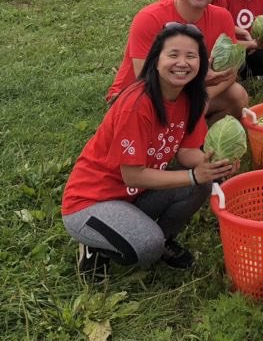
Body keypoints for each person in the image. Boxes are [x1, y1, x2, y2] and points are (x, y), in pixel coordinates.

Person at [63, 25, 234, 279]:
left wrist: (216, 165)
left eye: (191, 56)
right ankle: (95, 246)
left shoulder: (190, 98)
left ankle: (161, 236)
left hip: (135, 195)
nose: (182, 63)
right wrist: (193, 175)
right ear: (155, 61)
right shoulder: (137, 103)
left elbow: (187, 152)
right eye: (173, 55)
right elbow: (132, 175)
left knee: (203, 184)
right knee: (147, 246)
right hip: (91, 202)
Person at [107, 0, 249, 121]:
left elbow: (230, 72)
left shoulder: (222, 17)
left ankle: (196, 134)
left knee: (238, 95)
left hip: (188, 88)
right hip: (140, 94)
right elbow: (147, 79)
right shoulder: (149, 18)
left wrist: (202, 97)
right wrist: (199, 83)